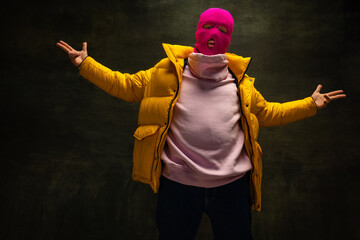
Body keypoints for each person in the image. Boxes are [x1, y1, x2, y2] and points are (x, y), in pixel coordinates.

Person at [57, 8, 346, 240]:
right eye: (208, 27)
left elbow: (269, 112)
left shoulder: (241, 83)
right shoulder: (165, 72)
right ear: (197, 30)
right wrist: (86, 64)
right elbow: (126, 85)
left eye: (222, 31)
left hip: (232, 189)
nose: (213, 35)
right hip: (178, 187)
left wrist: (310, 104)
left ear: (229, 38)